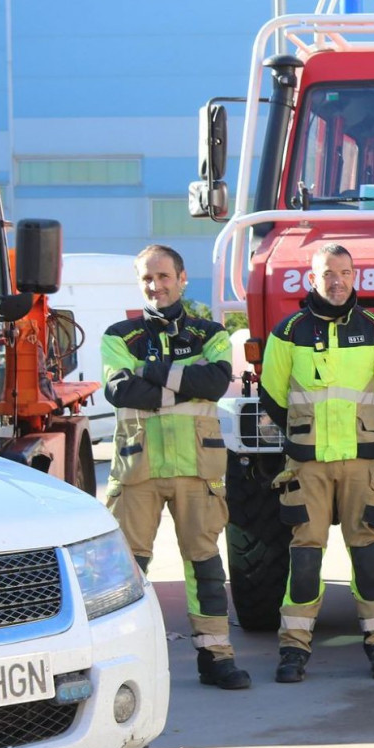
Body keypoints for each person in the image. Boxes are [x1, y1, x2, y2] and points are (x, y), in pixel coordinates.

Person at [101, 244, 250, 690]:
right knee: (126, 570)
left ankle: (216, 657)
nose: (156, 285)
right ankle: (119, 661)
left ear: (182, 279)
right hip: (138, 470)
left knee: (204, 563)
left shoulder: (210, 333)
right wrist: (182, 383)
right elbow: (121, 390)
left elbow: (215, 381)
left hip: (195, 469)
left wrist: (153, 372)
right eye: (147, 278)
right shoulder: (118, 335)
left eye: (164, 276)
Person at [259, 244, 374, 683]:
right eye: (327, 273)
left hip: (362, 462)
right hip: (308, 464)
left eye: (344, 272)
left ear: (354, 275)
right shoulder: (289, 331)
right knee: (305, 561)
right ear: (312, 278)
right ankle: (293, 651)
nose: (337, 280)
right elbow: (272, 394)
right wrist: (308, 435)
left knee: (369, 558)